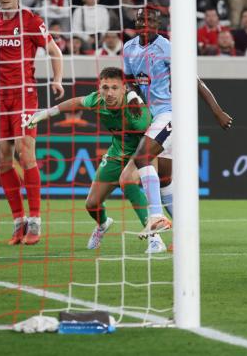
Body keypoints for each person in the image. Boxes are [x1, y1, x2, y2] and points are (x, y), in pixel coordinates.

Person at [119, 7, 233, 248]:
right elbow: (130, 82)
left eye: (150, 20)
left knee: (142, 158)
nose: (145, 23)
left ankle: (157, 216)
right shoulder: (129, 48)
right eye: (141, 19)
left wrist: (216, 111)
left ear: (159, 24)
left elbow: (194, 79)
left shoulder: (167, 47)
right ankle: (186, 234)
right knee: (165, 179)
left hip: (172, 114)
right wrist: (133, 98)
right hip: (153, 118)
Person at [24, 67, 163, 252]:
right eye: (105, 87)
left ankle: (155, 239)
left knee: (128, 181)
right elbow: (76, 102)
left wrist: (134, 99)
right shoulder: (97, 100)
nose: (109, 93)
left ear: (124, 89)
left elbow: (151, 138)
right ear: (99, 88)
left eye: (115, 88)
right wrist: (46, 113)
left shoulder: (136, 112)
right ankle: (103, 224)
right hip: (117, 153)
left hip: (143, 153)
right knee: (91, 204)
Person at [0, 0, 64, 245]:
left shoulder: (30, 20)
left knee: (25, 153)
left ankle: (35, 221)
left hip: (24, 95)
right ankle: (18, 222)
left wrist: (57, 79)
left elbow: (55, 51)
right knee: (2, 158)